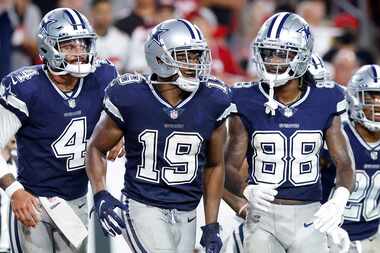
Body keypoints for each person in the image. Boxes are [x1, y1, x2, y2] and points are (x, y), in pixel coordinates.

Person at [86, 18, 234, 253]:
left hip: (187, 210)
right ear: (159, 57)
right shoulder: (132, 95)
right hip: (143, 206)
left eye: (196, 56)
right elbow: (96, 147)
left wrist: (211, 224)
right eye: (185, 56)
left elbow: (215, 165)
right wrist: (101, 193)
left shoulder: (213, 99)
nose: (194, 63)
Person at [224, 12, 354, 253]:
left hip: (309, 214)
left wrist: (338, 200)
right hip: (262, 216)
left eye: (282, 53)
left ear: (302, 54)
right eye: (268, 52)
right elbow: (228, 166)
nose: (273, 60)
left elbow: (344, 163)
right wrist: (246, 189)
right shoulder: (245, 99)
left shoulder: (327, 98)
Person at [0, 7, 121, 253]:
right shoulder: (25, 87)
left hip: (75, 201)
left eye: (83, 45)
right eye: (68, 46)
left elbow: (126, 119)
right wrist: (14, 191)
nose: (79, 53)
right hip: (32, 201)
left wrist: (121, 134)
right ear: (48, 47)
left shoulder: (102, 77)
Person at [321, 65, 380, 253]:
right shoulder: (336, 133)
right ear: (355, 97)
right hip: (328, 235)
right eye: (371, 95)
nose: (377, 104)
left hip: (372, 235)